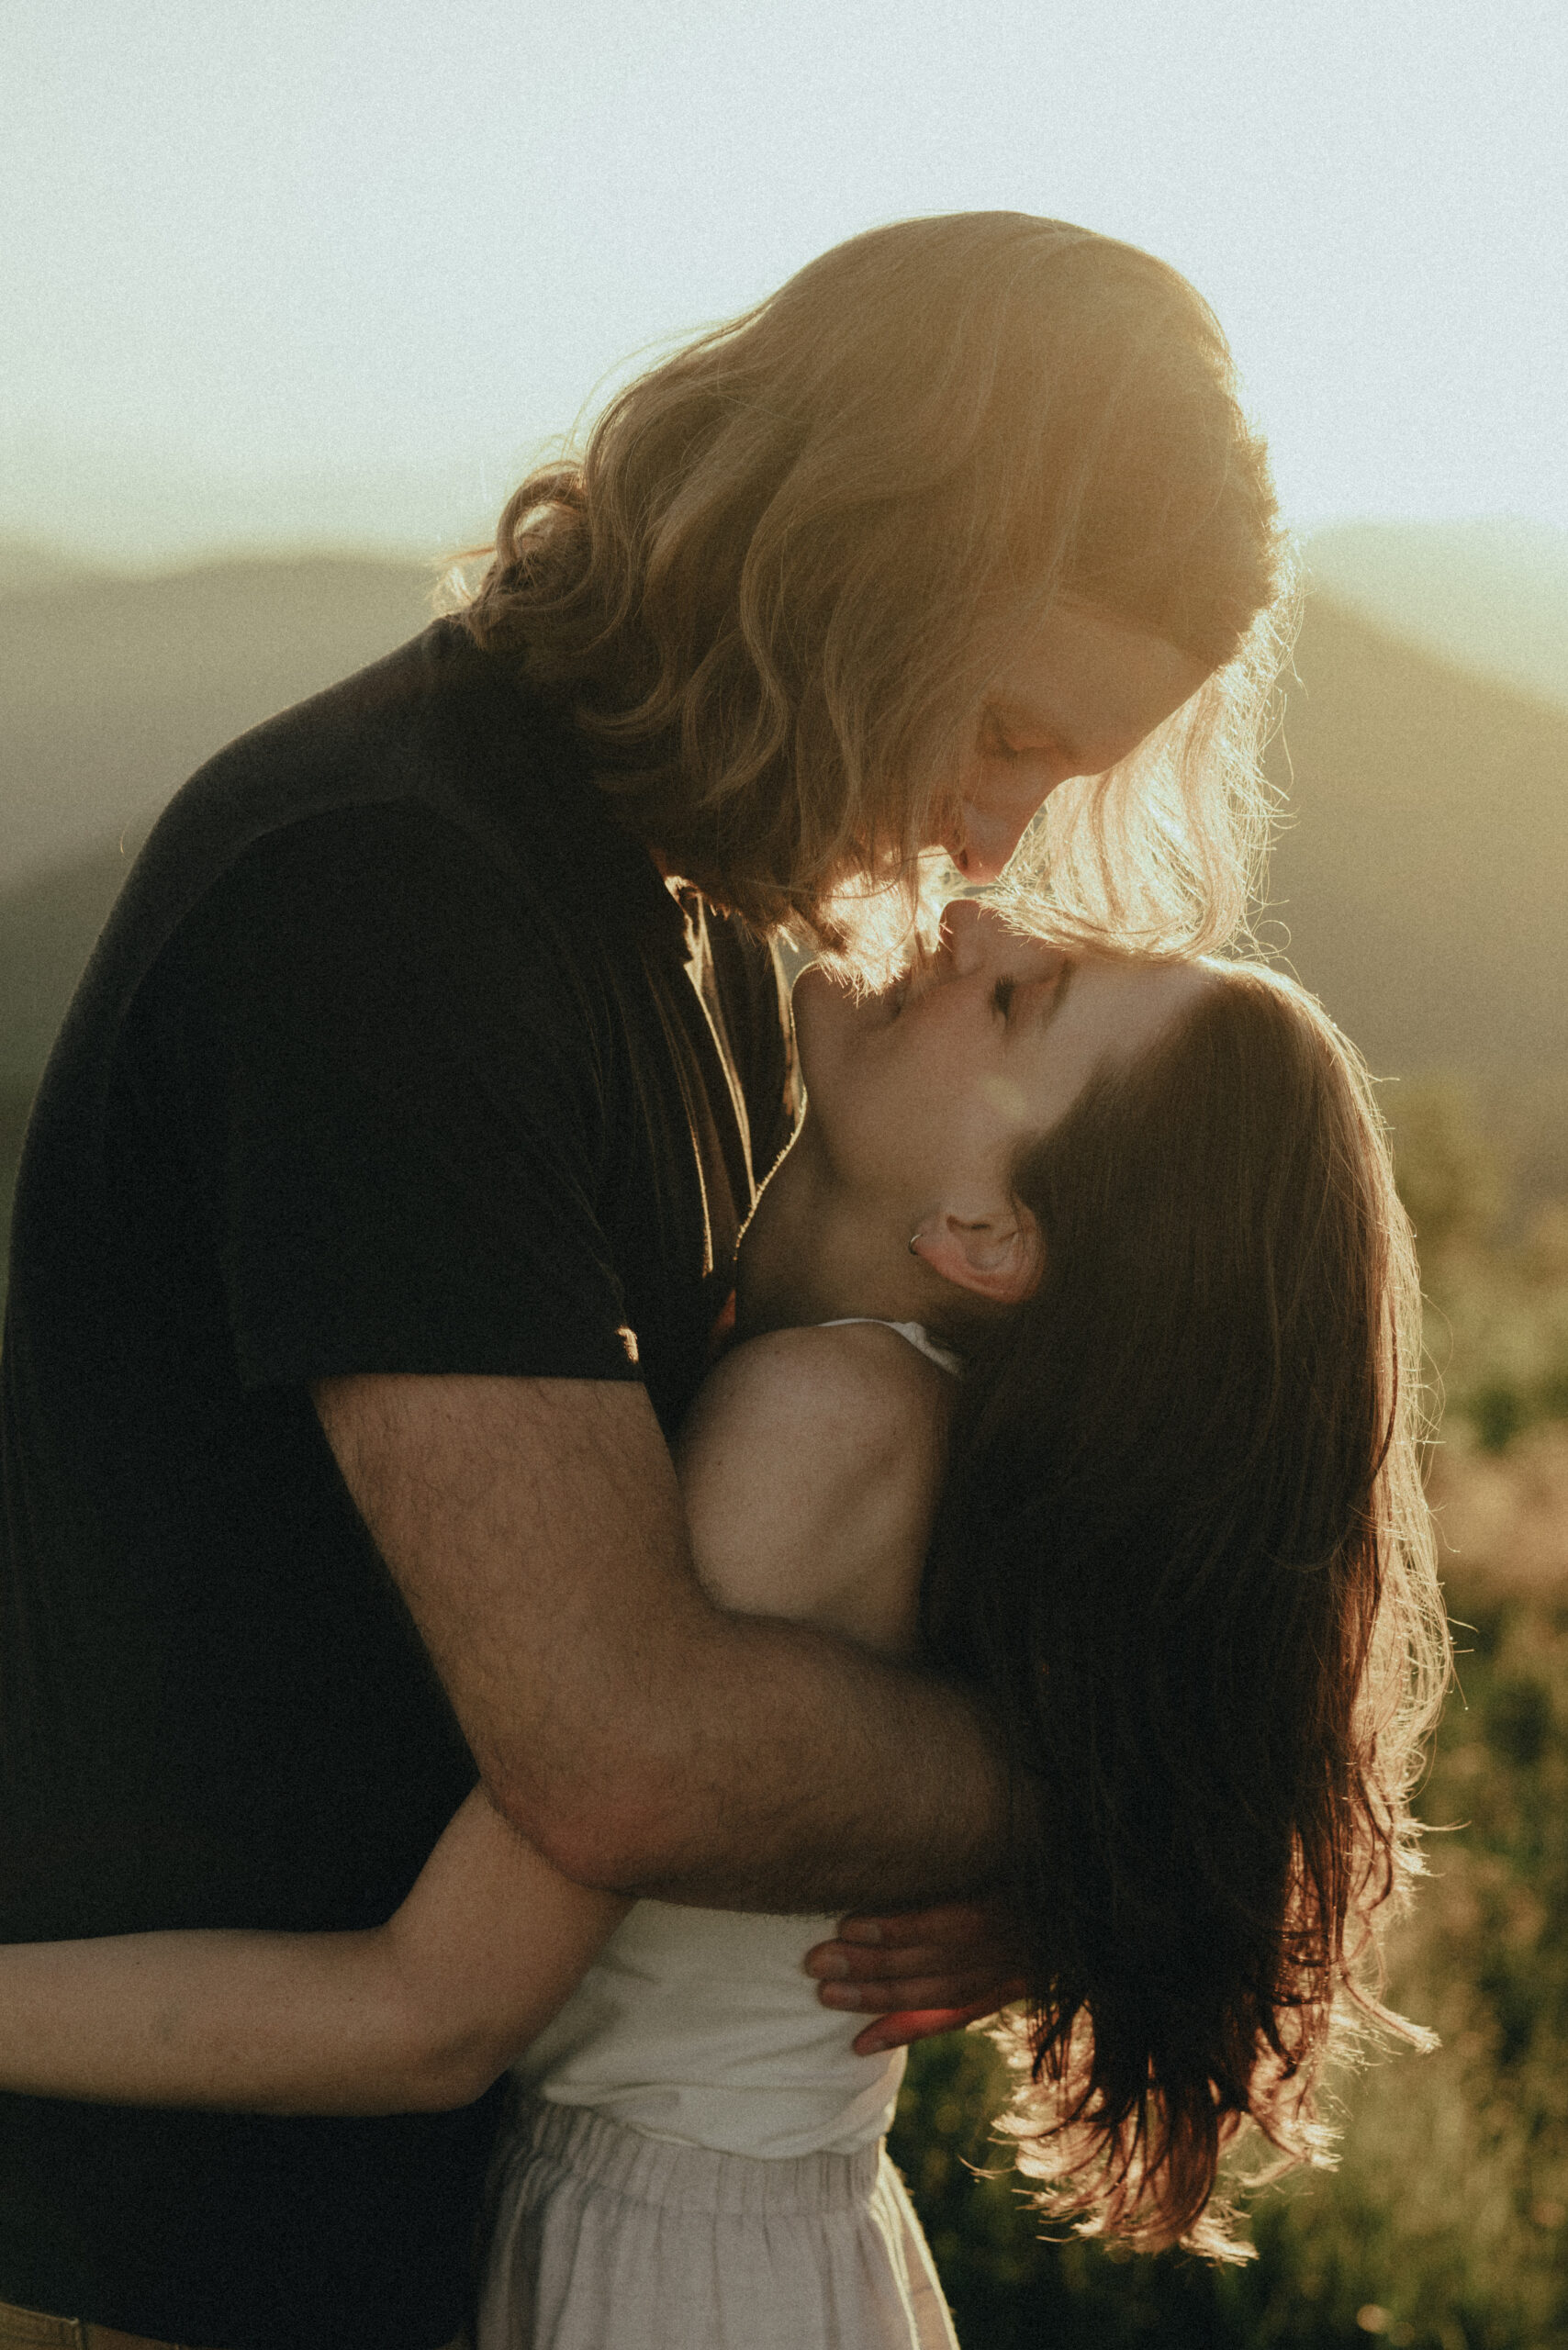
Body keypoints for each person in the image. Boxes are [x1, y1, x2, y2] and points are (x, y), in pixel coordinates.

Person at [0, 213, 1288, 2350]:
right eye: (997, 725)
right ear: (843, 562)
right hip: (132, 2247)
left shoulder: (696, 917)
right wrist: (1107, 1790)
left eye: (1054, 776)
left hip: (409, 2219)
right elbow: (621, 1743)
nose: (988, 839)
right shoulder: (392, 899)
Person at [0, 904, 1447, 2348]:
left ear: (984, 1234)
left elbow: (433, 2014)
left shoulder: (823, 1419)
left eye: (1021, 1000)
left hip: (660, 2277)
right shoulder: (879, 1400)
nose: (971, 918)